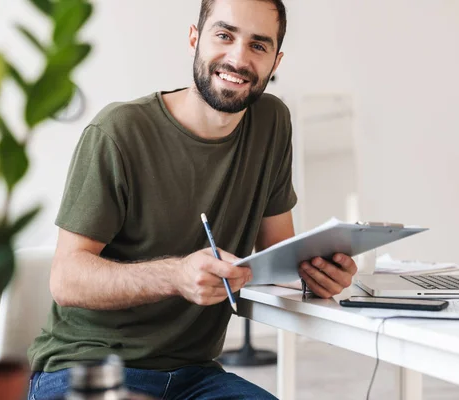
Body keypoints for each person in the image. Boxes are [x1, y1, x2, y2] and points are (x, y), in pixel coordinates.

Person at [27, 0, 358, 399]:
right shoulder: (118, 131)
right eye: (224, 35)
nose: (238, 58)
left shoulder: (273, 123)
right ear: (194, 39)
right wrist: (175, 275)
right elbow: (66, 279)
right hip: (89, 368)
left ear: (276, 61)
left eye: (258, 45)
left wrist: (316, 274)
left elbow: (276, 255)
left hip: (196, 376)